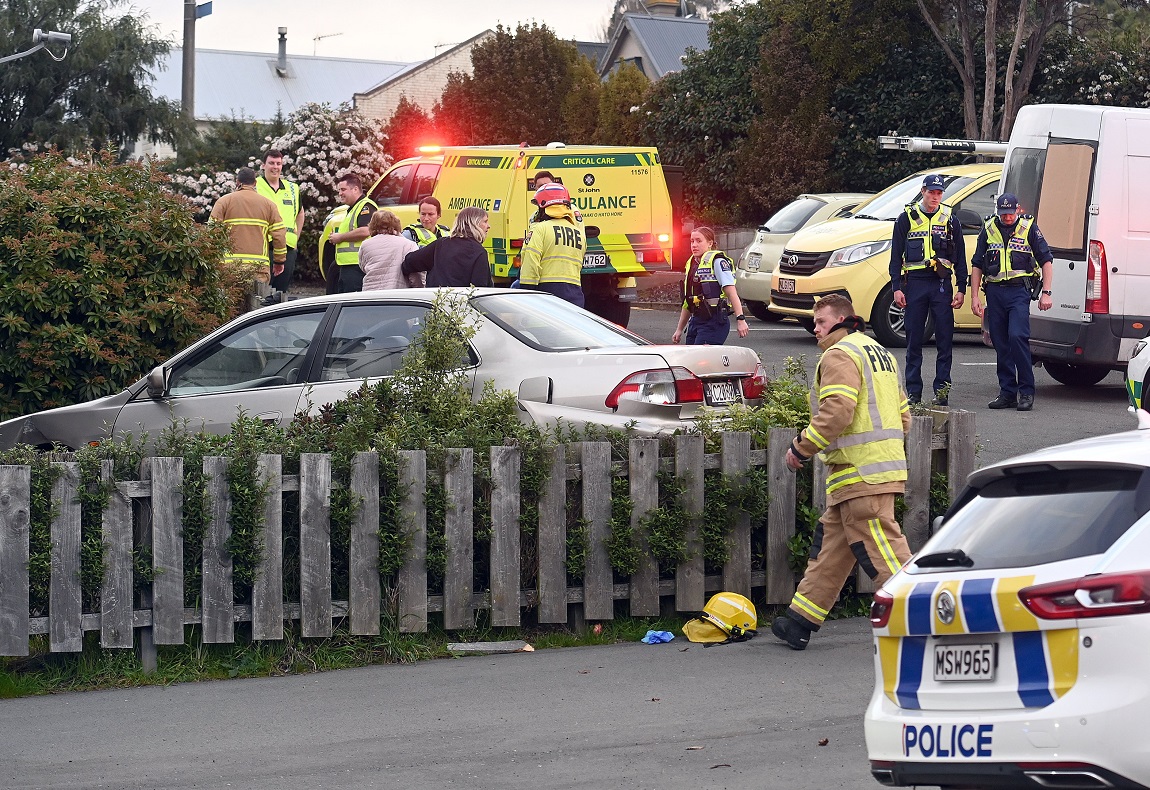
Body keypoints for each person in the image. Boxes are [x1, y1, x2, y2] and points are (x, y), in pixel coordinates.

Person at [772, 293, 912, 651]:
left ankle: (928, 619)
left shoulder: (839, 354)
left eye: (820, 322)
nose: (815, 328)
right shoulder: (879, 353)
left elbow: (837, 411)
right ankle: (799, 621)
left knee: (885, 554)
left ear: (841, 320)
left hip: (860, 475)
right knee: (831, 551)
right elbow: (904, 417)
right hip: (871, 472)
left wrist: (800, 447)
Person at [888, 173, 967, 406]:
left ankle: (942, 392)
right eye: (931, 192)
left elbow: (960, 256)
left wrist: (961, 288)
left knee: (944, 339)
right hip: (915, 283)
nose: (935, 197)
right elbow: (895, 257)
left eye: (939, 192)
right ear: (923, 191)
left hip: (941, 284)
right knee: (913, 339)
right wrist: (896, 287)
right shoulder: (907, 218)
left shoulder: (950, 218)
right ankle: (913, 392)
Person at [970, 193, 1054, 412]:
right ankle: (1007, 392)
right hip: (995, 292)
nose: (1007, 218)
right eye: (1003, 214)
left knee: (1017, 337)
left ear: (1018, 209)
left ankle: (1026, 391)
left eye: (1010, 213)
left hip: (1018, 292)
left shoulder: (1029, 227)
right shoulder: (989, 228)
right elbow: (977, 264)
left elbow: (1046, 260)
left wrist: (1047, 292)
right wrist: (974, 297)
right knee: (1000, 342)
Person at [671, 227, 750, 345]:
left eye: (699, 241)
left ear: (710, 243)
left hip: (714, 322)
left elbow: (731, 292)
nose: (694, 245)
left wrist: (740, 319)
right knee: (691, 359)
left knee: (701, 360)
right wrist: (679, 329)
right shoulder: (692, 263)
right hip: (696, 321)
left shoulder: (717, 262)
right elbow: (688, 302)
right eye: (692, 241)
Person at [208, 167, 286, 285]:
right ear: (255, 183)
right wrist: (279, 261)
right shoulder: (269, 205)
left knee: (231, 302)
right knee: (258, 302)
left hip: (229, 268)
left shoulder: (223, 202)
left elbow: (212, 232)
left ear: (237, 182)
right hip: (258, 269)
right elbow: (279, 236)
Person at [519, 183, 587, 307]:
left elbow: (531, 262)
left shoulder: (540, 229)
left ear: (543, 206)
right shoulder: (579, 233)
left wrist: (527, 293)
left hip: (546, 294)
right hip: (575, 295)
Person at [400, 206, 493, 287]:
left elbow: (409, 263)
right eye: (485, 221)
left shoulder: (441, 244)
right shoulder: (479, 252)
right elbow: (480, 289)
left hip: (435, 301)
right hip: (460, 304)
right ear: (474, 223)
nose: (488, 226)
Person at [255, 149, 303, 293]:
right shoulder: (255, 186)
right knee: (261, 291)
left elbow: (300, 213)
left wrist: (296, 239)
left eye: (278, 163)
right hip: (263, 246)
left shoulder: (293, 188)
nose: (275, 167)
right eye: (271, 163)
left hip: (287, 247)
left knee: (280, 292)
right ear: (263, 165)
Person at [327, 173, 378, 293]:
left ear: (355, 189)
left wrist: (340, 237)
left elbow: (366, 230)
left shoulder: (366, 206)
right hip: (348, 265)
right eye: (339, 190)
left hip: (357, 266)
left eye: (343, 189)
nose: (340, 193)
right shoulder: (352, 209)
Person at [359, 210, 420, 291]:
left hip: (370, 295)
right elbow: (415, 274)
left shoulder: (365, 245)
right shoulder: (408, 245)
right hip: (396, 294)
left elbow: (363, 267)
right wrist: (418, 288)